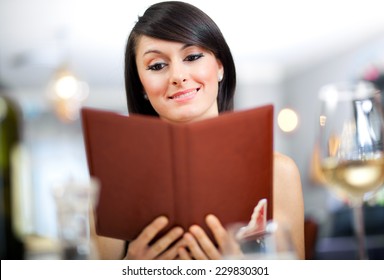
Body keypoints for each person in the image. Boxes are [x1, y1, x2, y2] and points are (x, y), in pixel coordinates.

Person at [90, 1, 304, 260]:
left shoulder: (278, 172)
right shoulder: (113, 185)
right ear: (141, 88)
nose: (178, 76)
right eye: (157, 65)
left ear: (220, 66)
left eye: (192, 57)